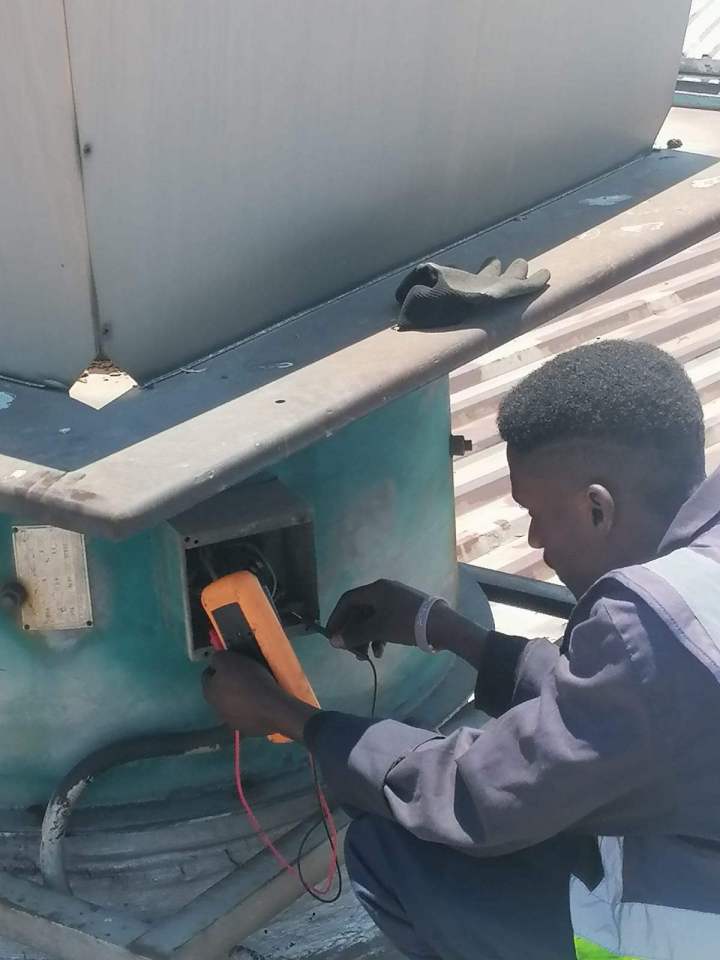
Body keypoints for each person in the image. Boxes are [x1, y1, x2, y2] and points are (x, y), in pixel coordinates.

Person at [203, 339, 720, 960]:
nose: (533, 539)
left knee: (394, 852)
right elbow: (629, 709)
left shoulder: (645, 627)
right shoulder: (695, 586)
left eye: (535, 513)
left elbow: (476, 799)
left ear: (596, 509)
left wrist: (291, 717)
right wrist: (447, 629)